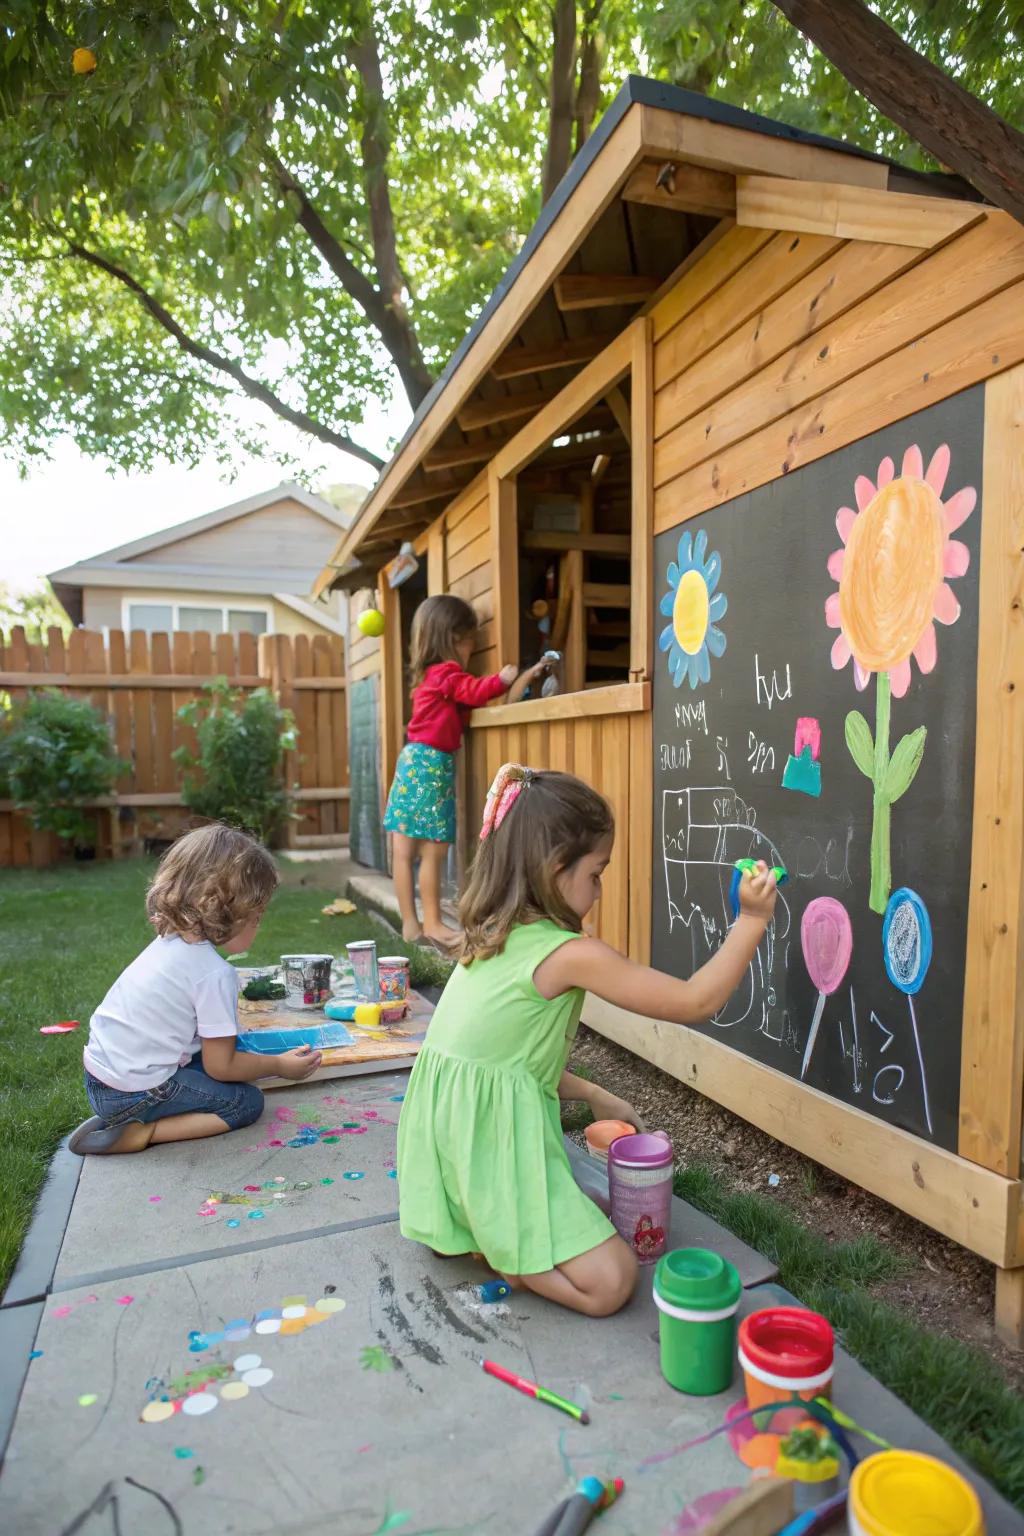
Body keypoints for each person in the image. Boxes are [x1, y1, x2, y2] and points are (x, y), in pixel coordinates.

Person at [396, 764, 778, 1317]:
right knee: (612, 1282)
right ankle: (516, 1263)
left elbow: (500, 1063)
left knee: (580, 1220)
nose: (599, 888)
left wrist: (596, 1094)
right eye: (596, 873)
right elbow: (695, 1001)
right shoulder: (571, 953)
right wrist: (751, 919)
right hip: (487, 1146)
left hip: (445, 1138)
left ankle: (476, 1224)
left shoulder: (493, 936)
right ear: (556, 869)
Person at [69, 823, 322, 1155]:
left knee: (225, 1068)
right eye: (257, 916)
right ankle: (143, 1131)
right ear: (232, 914)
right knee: (245, 1101)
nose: (259, 925)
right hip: (135, 1091)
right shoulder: (213, 974)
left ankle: (117, 1119)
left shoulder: (169, 941)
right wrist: (277, 1066)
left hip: (102, 1080)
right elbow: (223, 1066)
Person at [383, 594, 548, 947]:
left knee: (402, 848)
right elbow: (472, 691)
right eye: (471, 639)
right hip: (432, 765)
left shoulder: (428, 676)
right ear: (455, 638)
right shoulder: (447, 673)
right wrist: (501, 680)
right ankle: (432, 923)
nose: (473, 647)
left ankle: (410, 924)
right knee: (433, 850)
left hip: (411, 760)